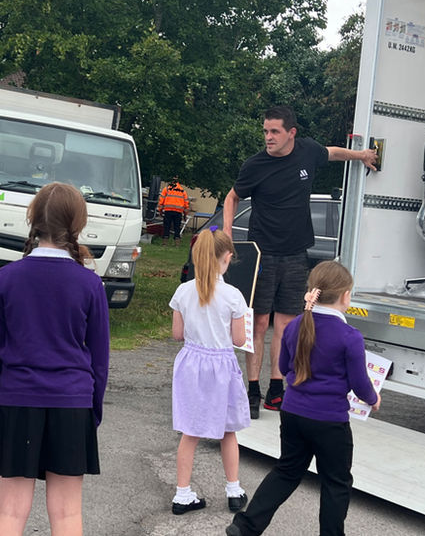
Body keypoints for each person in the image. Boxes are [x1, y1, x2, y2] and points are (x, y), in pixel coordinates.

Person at [223, 106, 377, 420]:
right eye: (265, 131)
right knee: (260, 324)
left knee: (287, 325)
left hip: (295, 254)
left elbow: (332, 153)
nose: (268, 137)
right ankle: (253, 389)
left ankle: (276, 390)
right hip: (262, 253)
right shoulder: (255, 165)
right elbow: (232, 197)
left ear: (291, 133)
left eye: (275, 132)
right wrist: (228, 233)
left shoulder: (307, 151)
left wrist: (361, 155)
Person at [0, 182, 109, 536]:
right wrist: (92, 411)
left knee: (10, 511)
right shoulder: (89, 284)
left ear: (34, 219)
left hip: (16, 398)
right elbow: (99, 361)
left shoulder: (5, 279)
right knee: (67, 514)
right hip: (72, 400)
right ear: (77, 224)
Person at [225, 261, 381, 536]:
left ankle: (246, 526)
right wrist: (373, 398)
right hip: (330, 421)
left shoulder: (296, 325)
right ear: (346, 296)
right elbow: (359, 384)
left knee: (287, 470)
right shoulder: (350, 336)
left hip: (293, 413)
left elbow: (285, 368)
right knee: (336, 482)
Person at [168, 228, 249, 516]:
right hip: (222, 368)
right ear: (227, 258)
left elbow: (178, 334)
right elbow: (239, 340)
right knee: (228, 431)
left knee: (190, 432)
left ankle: (182, 494)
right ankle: (234, 491)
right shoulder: (233, 296)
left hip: (191, 365)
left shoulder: (183, 291)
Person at [158, 176, 190, 246]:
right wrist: (185, 214)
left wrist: (160, 210)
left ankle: (164, 243)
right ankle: (177, 244)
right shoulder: (182, 191)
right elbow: (186, 204)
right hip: (178, 212)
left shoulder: (167, 189)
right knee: (177, 227)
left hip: (168, 211)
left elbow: (161, 200)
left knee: (166, 226)